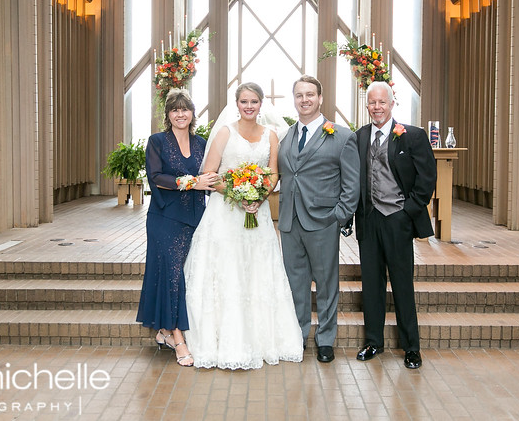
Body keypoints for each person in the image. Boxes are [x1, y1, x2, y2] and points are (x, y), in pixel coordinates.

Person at [183, 82, 303, 370]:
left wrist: (259, 196)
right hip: (225, 214)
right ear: (236, 104)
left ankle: (262, 340)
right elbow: (209, 173)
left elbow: (273, 172)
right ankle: (224, 340)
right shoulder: (225, 132)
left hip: (256, 213)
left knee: (257, 271)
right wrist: (237, 193)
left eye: (254, 101)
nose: (249, 106)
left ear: (261, 104)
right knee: (228, 271)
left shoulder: (271, 135)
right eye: (244, 101)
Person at [353, 81, 436, 369]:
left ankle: (411, 347)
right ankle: (373, 342)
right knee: (371, 285)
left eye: (382, 102)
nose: (377, 107)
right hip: (369, 219)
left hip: (397, 219)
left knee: (402, 283)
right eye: (372, 103)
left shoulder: (412, 136)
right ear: (367, 106)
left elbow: (427, 180)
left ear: (391, 104)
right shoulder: (360, 136)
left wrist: (407, 211)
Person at [277, 75, 360, 363]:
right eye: (299, 95)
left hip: (323, 221)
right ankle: (298, 335)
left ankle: (325, 339)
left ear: (320, 98)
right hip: (289, 222)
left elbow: (352, 185)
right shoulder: (287, 135)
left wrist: (339, 216)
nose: (304, 100)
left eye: (310, 94)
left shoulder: (341, 135)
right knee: (295, 283)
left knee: (326, 284)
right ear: (294, 99)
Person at [136, 89, 218, 367]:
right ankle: (178, 338)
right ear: (168, 114)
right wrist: (194, 182)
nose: (180, 114)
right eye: (174, 110)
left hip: (195, 218)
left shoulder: (202, 143)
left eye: (185, 109)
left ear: (193, 113)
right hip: (165, 218)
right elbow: (157, 177)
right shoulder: (157, 141)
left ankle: (164, 330)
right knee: (171, 275)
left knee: (186, 274)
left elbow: (210, 174)